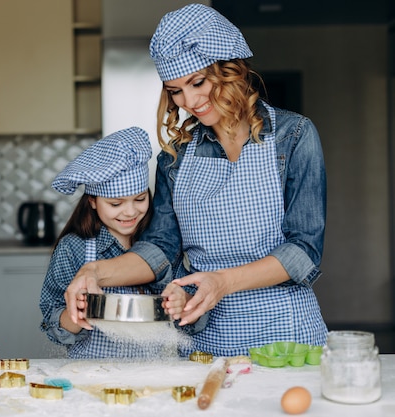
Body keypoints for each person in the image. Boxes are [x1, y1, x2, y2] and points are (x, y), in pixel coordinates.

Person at [63, 3, 329, 357]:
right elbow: (159, 249)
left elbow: (304, 251)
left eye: (198, 82)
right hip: (209, 341)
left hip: (288, 335)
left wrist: (221, 282)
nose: (189, 101)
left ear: (229, 68)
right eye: (175, 90)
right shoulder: (176, 157)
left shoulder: (293, 136)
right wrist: (95, 271)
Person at [39, 126, 204, 359]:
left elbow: (191, 317)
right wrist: (77, 313)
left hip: (155, 375)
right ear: (93, 202)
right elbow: (54, 327)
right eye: (116, 204)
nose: (130, 212)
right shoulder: (73, 248)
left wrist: (183, 302)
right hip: (94, 376)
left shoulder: (162, 245)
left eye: (140, 199)